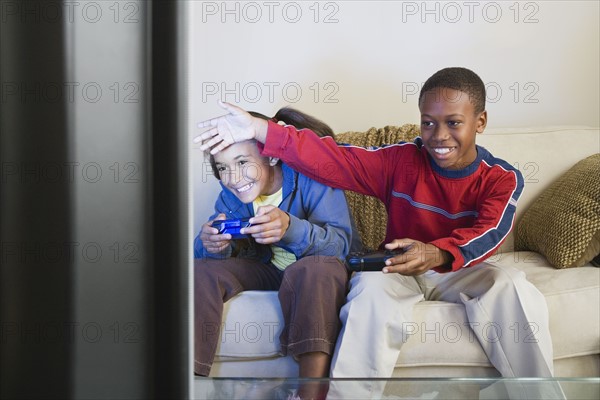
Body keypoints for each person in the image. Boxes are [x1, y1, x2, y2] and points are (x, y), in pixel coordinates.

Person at [196, 68, 562, 399]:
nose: (439, 136)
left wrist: (436, 253)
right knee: (367, 289)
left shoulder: (501, 176)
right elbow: (334, 159)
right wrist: (260, 130)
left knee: (511, 284)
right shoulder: (400, 160)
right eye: (428, 123)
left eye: (453, 123)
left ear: (479, 122)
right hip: (399, 265)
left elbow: (491, 232)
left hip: (462, 266)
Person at [194, 107, 358, 400]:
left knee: (313, 269)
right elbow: (207, 253)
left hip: (313, 271)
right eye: (222, 168)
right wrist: (211, 244)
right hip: (268, 271)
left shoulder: (312, 176)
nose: (232, 178)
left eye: (242, 162)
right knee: (201, 270)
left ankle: (309, 392)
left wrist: (290, 230)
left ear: (271, 155)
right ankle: (189, 381)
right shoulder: (230, 197)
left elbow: (340, 246)